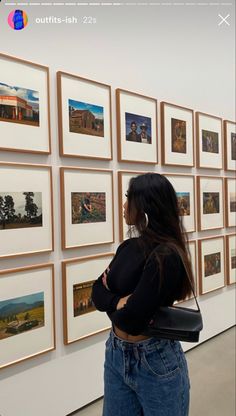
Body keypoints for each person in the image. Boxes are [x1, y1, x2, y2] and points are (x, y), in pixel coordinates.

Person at [92, 173, 193, 416]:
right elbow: (96, 291)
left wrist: (112, 301)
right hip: (116, 354)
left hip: (155, 360)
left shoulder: (166, 255)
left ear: (146, 205)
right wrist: (118, 302)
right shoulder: (127, 247)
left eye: (129, 198)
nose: (124, 205)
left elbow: (133, 320)